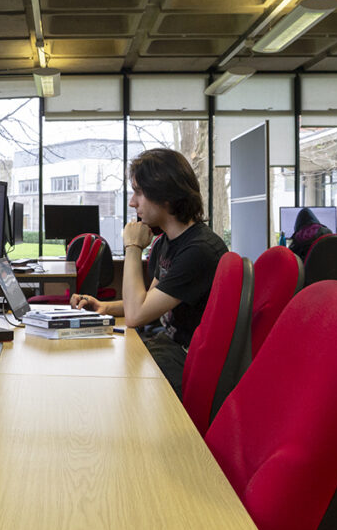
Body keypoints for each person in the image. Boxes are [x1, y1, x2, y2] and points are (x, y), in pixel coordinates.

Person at [71, 148, 227, 396]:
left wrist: (132, 246)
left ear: (166, 195)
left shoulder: (199, 250)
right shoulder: (167, 242)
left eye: (139, 193)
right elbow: (148, 302)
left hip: (185, 360)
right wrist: (104, 307)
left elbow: (136, 316)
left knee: (112, 385)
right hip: (166, 344)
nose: (133, 202)